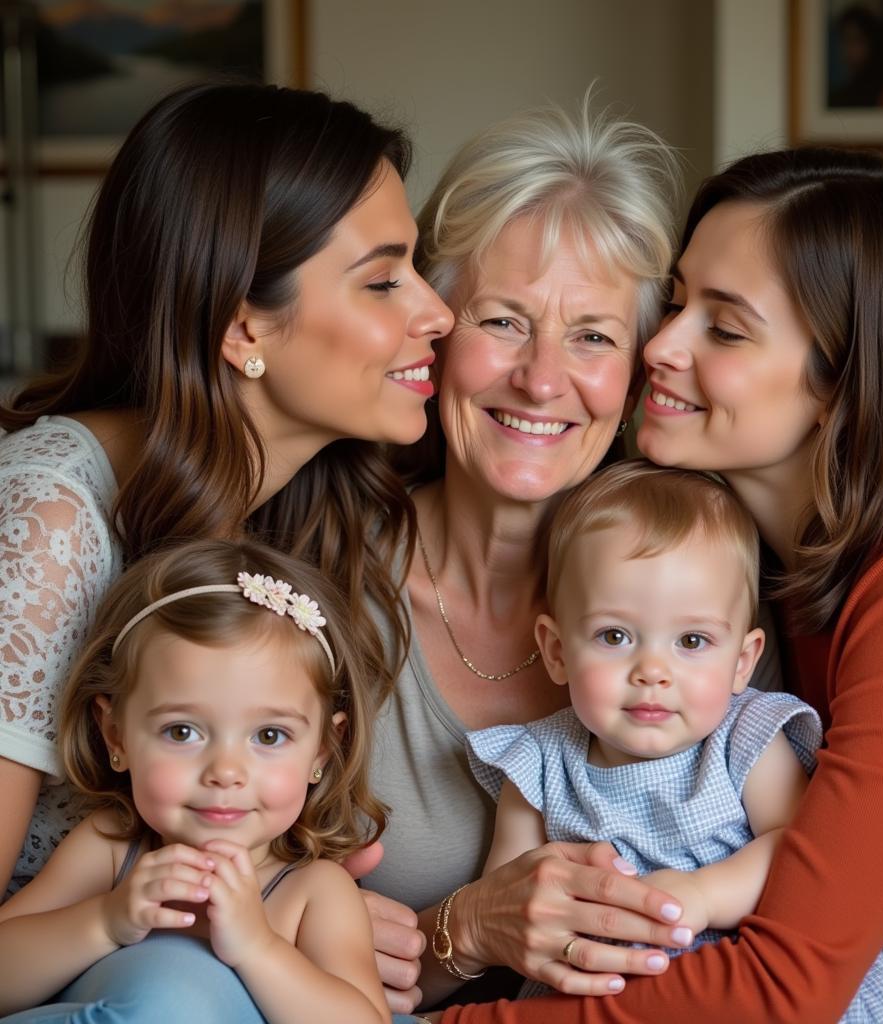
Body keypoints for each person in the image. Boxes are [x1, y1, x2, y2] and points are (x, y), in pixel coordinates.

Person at [433, 147, 883, 1022]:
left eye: (725, 327)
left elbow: (785, 990)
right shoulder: (723, 557)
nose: (659, 346)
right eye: (674, 303)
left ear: (840, 383)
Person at [356, 97, 790, 1016]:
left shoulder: (713, 579)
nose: (543, 378)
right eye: (504, 321)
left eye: (592, 335)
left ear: (636, 371)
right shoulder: (328, 586)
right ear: (435, 330)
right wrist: (468, 928)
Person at [0, 80, 453, 902]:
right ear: (243, 329)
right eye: (384, 283)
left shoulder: (321, 502)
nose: (438, 314)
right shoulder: (51, 514)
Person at [463, 460, 883, 1020]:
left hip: (750, 963)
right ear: (555, 650)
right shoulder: (537, 764)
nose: (652, 670)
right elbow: (512, 896)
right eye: (615, 635)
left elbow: (797, 850)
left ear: (743, 662)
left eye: (691, 640)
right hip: (608, 981)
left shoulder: (745, 738)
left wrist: (701, 896)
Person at [0, 539, 389, 1023]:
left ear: (323, 751)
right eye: (181, 731)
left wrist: (259, 948)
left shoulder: (313, 891)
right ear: (115, 734)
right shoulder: (112, 850)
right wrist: (104, 920)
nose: (225, 772)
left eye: (270, 735)